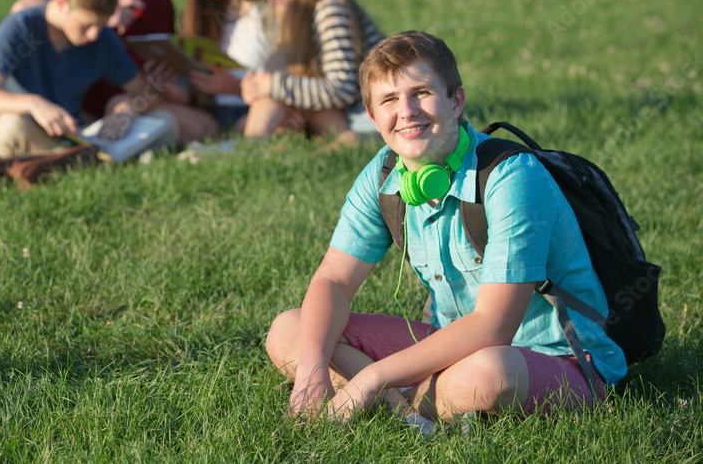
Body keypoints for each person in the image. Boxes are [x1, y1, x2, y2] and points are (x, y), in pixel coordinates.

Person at [265, 31, 626, 428]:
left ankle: (384, 398)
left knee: (490, 372)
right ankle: (409, 406)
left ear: (455, 101)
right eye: (389, 100)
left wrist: (370, 376)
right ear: (372, 117)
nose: (407, 111)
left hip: (555, 359)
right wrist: (312, 370)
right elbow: (333, 279)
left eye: (421, 92)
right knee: (290, 331)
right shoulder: (385, 174)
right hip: (448, 345)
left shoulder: (512, 177)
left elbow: (493, 326)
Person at [0, 0, 215, 143]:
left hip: (128, 104)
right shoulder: (81, 1)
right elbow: (26, 8)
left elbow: (153, 88)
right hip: (84, 109)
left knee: (199, 125)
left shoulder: (158, 7)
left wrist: (164, 87)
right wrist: (101, 17)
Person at [0, 0, 175, 158]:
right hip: (24, 129)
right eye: (86, 25)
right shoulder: (22, 27)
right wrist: (33, 104)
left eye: (101, 25)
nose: (93, 34)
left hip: (71, 135)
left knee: (166, 122)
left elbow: (144, 94)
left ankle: (83, 159)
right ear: (61, 1)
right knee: (10, 129)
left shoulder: (103, 39)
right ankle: (86, 160)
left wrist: (125, 111)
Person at [242, 0, 385, 141]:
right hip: (333, 110)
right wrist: (255, 85)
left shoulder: (330, 9)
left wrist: (274, 85)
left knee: (272, 93)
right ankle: (247, 144)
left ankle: (248, 145)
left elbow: (341, 89)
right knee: (269, 92)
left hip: (363, 111)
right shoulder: (286, 10)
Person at [176, 0, 269, 132]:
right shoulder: (198, 12)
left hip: (257, 112)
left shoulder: (267, 10)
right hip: (210, 114)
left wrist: (234, 88)